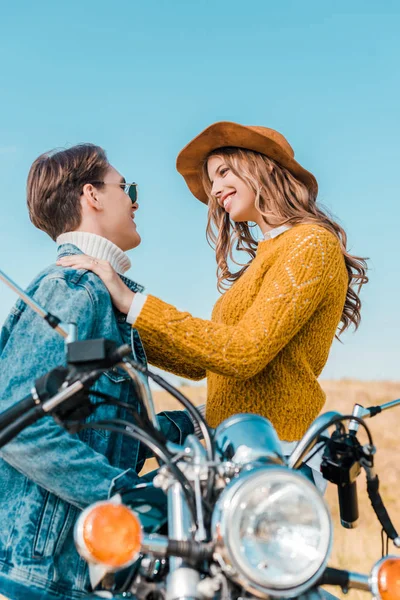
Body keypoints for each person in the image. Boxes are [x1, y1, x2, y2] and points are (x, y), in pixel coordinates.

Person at [58, 122, 368, 448]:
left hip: (278, 450)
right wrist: (118, 320)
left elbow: (243, 353)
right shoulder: (267, 256)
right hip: (233, 448)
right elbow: (198, 364)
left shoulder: (310, 243)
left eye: (223, 172)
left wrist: (132, 301)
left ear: (260, 166)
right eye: (212, 181)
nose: (215, 189)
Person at [0, 144, 197, 600]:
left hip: (70, 575)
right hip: (37, 576)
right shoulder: (72, 287)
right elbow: (17, 424)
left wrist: (188, 426)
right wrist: (121, 493)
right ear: (92, 195)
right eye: (125, 188)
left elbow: (97, 429)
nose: (134, 200)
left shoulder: (98, 293)